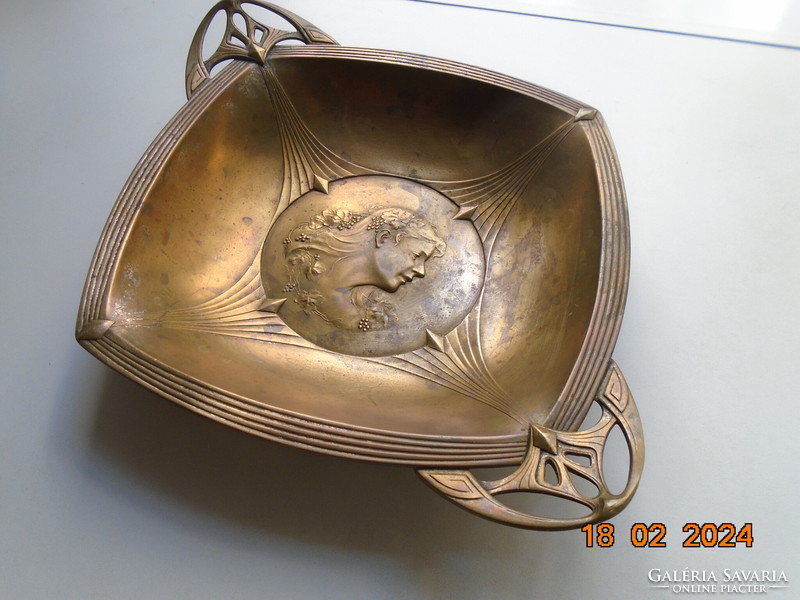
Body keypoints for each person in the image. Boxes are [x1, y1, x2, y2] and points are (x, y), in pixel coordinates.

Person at [281, 207, 446, 331]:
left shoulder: (364, 316)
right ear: (383, 237)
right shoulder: (299, 260)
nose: (421, 271)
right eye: (416, 256)